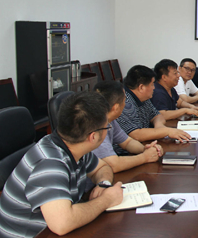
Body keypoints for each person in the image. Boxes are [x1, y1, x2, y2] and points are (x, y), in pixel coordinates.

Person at [0, 92, 123, 237]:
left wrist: (103, 184)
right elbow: (62, 224)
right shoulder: (49, 163)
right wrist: (107, 199)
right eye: (106, 127)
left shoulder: (73, 146)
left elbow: (102, 167)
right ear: (93, 136)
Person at [93, 80, 163, 173]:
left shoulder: (110, 120)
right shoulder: (94, 125)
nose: (125, 104)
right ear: (116, 107)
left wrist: (145, 149)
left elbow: (127, 142)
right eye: (124, 100)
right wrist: (145, 157)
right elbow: (113, 165)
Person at [116, 65, 191, 142]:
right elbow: (136, 135)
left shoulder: (144, 98)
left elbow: (157, 115)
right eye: (152, 84)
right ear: (141, 87)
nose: (154, 88)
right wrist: (166, 131)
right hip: (125, 152)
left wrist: (159, 126)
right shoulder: (125, 103)